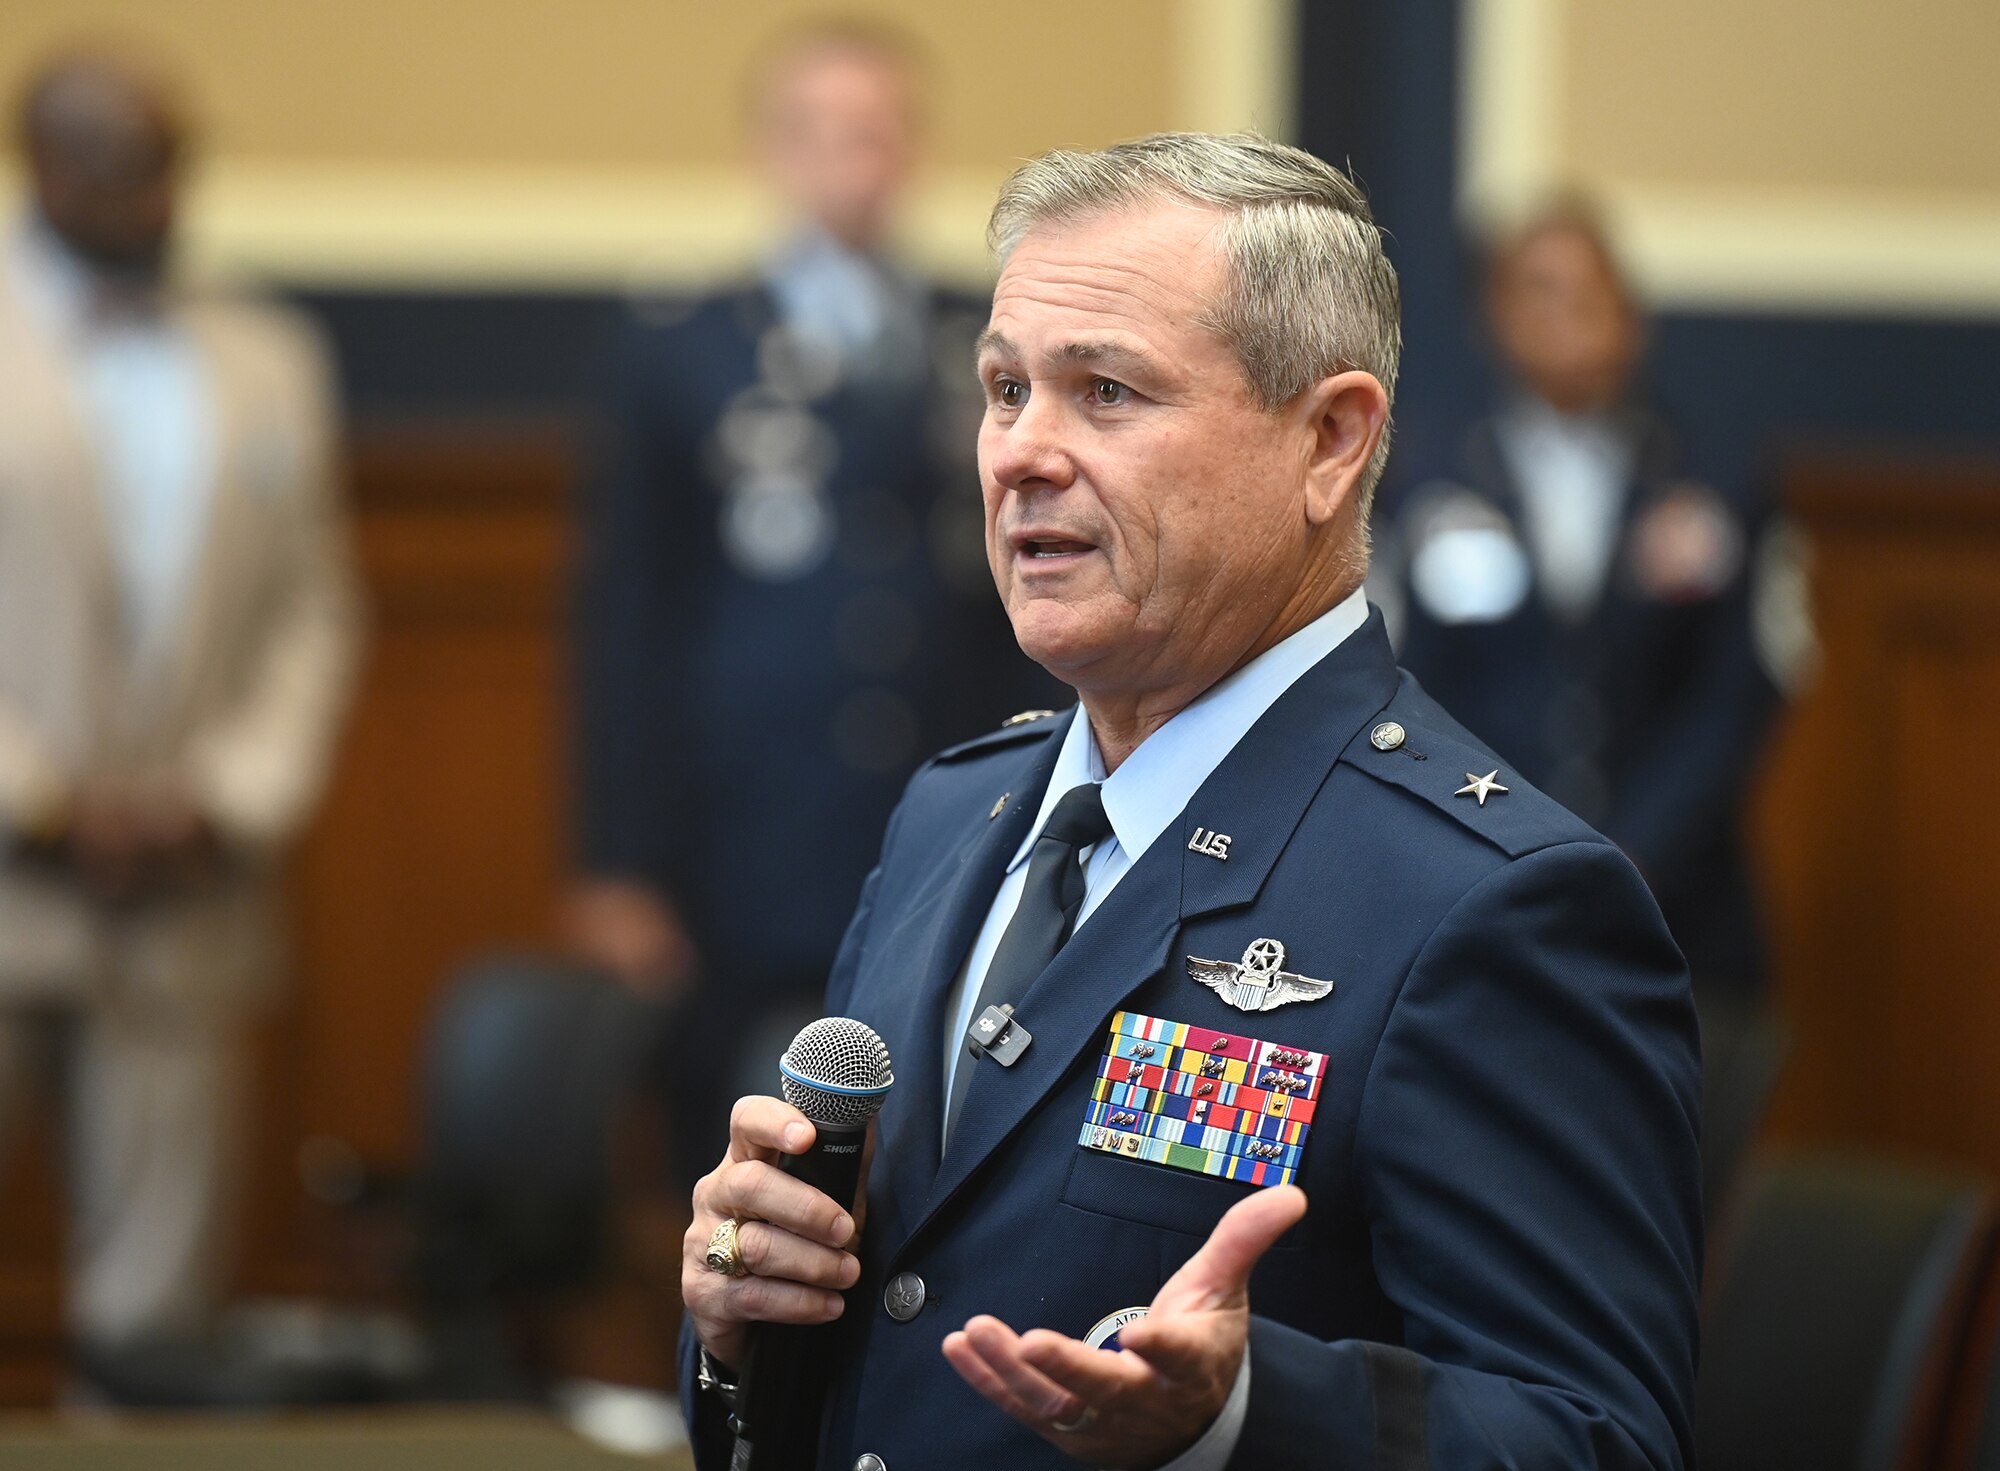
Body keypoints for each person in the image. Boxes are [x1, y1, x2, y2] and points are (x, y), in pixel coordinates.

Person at [677, 135, 1701, 1469]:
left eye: (1105, 390)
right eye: (1002, 388)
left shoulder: (1491, 901)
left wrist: (1237, 1418)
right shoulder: (952, 814)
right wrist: (743, 1326)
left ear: (1331, 440)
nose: (1020, 454)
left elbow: (1598, 1440)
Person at [570, 21, 1052, 1191]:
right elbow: (627, 617)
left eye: (878, 132)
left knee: (943, 1144)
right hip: (742, 841)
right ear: (771, 150)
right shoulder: (684, 350)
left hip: (947, 814)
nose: (853, 160)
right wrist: (617, 862)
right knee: (735, 1156)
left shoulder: (980, 339)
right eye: (822, 133)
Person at [0, 52, 358, 1381]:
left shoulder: (264, 353)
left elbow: (311, 614)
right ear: (42, 162)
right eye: (117, 165)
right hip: (9, 866)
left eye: (168, 164)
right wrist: (36, 796)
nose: (154, 198)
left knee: (153, 1325)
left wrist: (226, 797)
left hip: (185, 887)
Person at [1389, 202, 1778, 999]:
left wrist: (1637, 852)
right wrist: (1504, 839)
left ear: (1632, 314)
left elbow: (1739, 691)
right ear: (1494, 314)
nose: (1569, 315)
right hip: (1477, 894)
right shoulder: (1428, 488)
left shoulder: (1712, 482)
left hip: (1680, 909)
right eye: (1541, 290)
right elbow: (1408, 686)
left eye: (1591, 292)